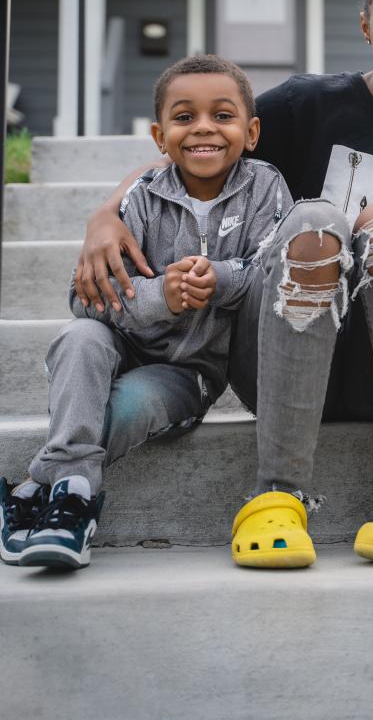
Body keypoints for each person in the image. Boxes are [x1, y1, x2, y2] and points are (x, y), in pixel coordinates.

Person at [71, 0, 373, 569]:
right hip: (279, 360)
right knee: (316, 218)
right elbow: (187, 155)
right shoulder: (303, 106)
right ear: (365, 25)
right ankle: (275, 494)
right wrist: (107, 212)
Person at [0, 55, 291, 569]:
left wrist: (218, 278)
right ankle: (76, 505)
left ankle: (37, 487)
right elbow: (82, 297)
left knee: (124, 406)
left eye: (222, 116)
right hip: (122, 343)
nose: (203, 127)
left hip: (188, 372)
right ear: (160, 136)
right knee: (79, 338)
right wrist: (161, 296)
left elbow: (269, 272)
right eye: (184, 117)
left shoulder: (266, 189)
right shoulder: (139, 199)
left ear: (252, 131)